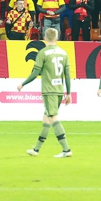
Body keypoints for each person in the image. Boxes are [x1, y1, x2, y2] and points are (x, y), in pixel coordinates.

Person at [17, 28, 73, 157]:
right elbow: (67, 75)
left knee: (52, 118)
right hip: (59, 90)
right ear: (57, 38)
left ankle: (66, 149)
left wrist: (23, 84)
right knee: (46, 118)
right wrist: (69, 93)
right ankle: (36, 150)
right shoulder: (63, 53)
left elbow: (35, 73)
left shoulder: (43, 53)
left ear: (45, 38)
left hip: (49, 90)